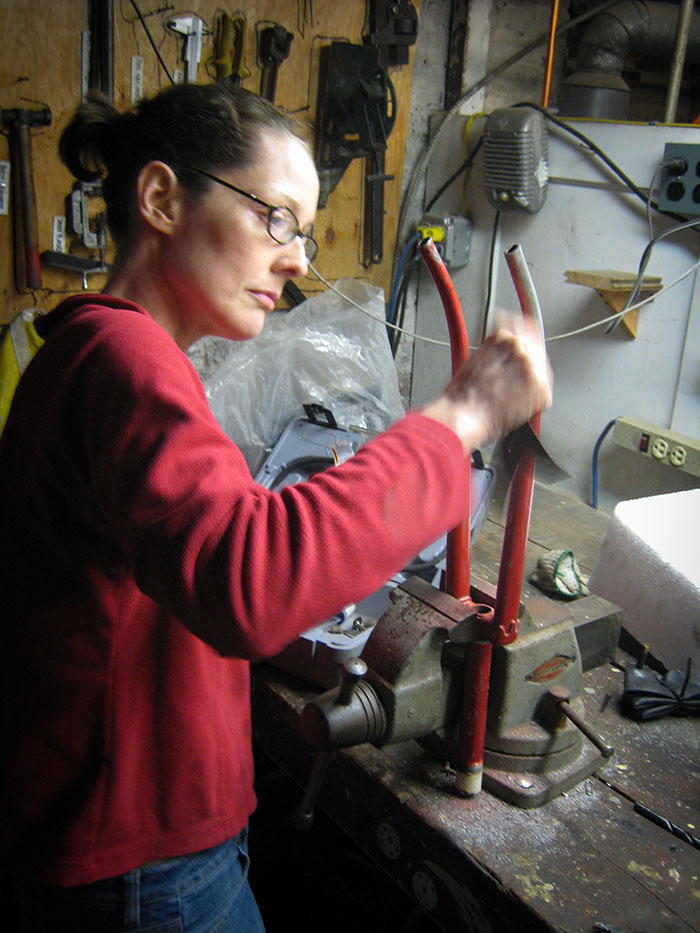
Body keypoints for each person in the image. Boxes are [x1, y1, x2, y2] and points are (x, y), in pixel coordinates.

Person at [0, 83, 552, 932]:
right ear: (161, 199)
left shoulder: (83, 350)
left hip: (117, 837)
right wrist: (463, 418)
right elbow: (253, 581)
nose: (298, 258)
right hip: (141, 869)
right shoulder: (126, 359)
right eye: (277, 217)